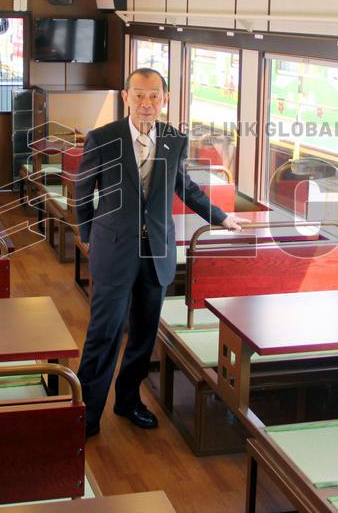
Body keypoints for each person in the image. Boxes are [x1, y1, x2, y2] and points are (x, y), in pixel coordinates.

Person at [74, 68, 249, 437]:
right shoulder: (102, 138)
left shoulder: (174, 140)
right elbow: (82, 191)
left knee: (143, 336)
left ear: (165, 100)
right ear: (125, 97)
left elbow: (185, 187)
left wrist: (221, 217)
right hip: (114, 251)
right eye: (139, 95)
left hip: (157, 252)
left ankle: (128, 401)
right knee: (103, 334)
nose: (146, 103)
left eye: (154, 96)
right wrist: (89, 235)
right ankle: (85, 414)